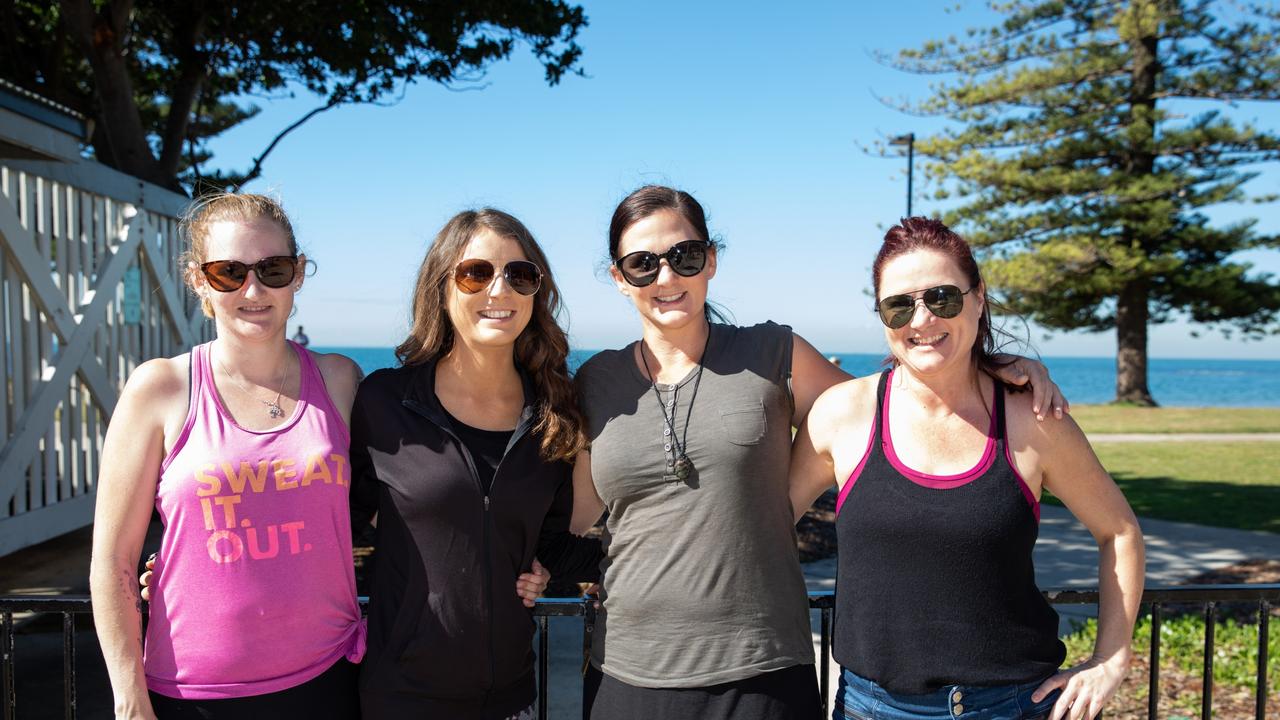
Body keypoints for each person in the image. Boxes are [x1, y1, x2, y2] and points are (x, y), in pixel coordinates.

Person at [570, 186, 1068, 720]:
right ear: (620, 279)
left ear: (710, 260)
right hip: (626, 672)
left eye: (684, 256)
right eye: (642, 264)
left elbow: (895, 404)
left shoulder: (774, 354)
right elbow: (574, 518)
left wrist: (988, 365)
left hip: (763, 673)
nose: (666, 277)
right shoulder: (597, 381)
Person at [789, 217, 1144, 720]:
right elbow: (764, 529)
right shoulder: (842, 414)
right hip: (871, 709)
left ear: (978, 298)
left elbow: (1120, 531)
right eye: (898, 306)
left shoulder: (1034, 419)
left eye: (942, 298)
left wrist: (1111, 657)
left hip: (1016, 705)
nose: (922, 320)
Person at [90, 193, 365, 719]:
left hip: (329, 679)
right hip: (193, 694)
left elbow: (399, 497)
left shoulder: (340, 380)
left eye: (273, 269)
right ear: (198, 280)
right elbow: (113, 562)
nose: (253, 289)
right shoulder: (160, 388)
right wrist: (130, 701)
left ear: (298, 274)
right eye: (228, 272)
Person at [349, 209, 603, 720]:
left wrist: (547, 570)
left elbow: (554, 538)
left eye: (520, 274)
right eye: (476, 272)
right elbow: (337, 523)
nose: (499, 290)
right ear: (440, 287)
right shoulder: (384, 402)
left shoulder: (554, 416)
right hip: (402, 697)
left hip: (514, 699)